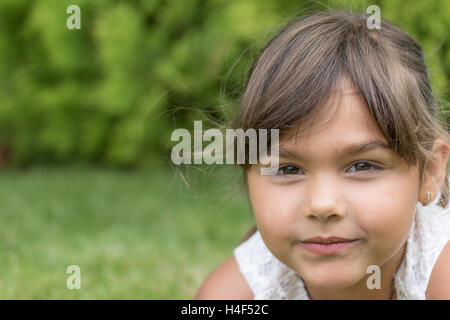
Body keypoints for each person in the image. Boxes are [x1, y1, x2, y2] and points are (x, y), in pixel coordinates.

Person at [195, 10, 450, 300]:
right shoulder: (235, 294)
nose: (322, 204)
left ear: (429, 172)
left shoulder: (441, 277)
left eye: (362, 165)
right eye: (288, 169)